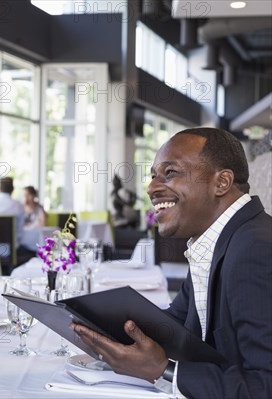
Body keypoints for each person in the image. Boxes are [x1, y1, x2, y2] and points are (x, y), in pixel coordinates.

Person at [73, 128, 272, 398]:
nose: (152, 188)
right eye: (154, 175)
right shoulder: (218, 239)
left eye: (170, 173)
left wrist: (162, 371)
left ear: (222, 182)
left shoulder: (255, 249)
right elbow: (178, 323)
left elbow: (265, 385)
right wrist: (101, 326)